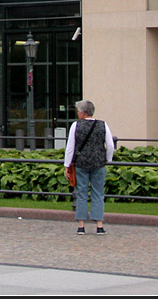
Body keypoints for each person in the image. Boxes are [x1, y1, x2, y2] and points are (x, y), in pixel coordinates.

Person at [64, 99, 115, 235]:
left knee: (81, 193)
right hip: (98, 163)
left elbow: (70, 147)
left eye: (78, 111)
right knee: (98, 193)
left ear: (82, 113)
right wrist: (108, 159)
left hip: (81, 163)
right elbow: (110, 145)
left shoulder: (76, 125)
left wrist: (67, 165)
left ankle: (81, 226)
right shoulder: (103, 125)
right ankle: (99, 225)